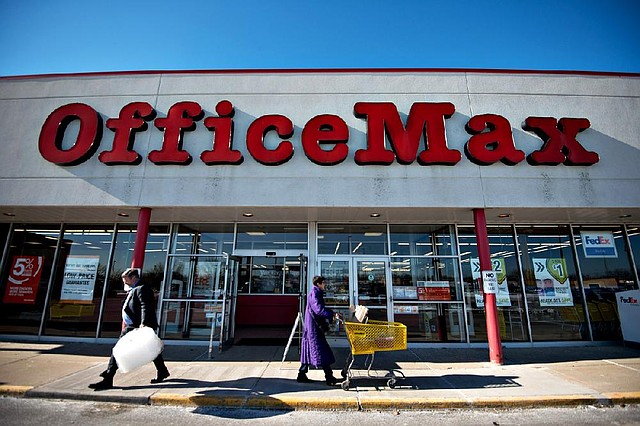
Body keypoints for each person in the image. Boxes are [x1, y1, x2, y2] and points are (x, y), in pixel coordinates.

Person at [88, 268, 170, 391]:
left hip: (137, 326)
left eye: (126, 281)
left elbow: (145, 306)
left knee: (118, 349)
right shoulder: (134, 289)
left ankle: (108, 377)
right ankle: (162, 371)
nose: (125, 284)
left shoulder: (142, 289)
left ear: (133, 278)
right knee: (151, 348)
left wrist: (143, 323)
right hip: (132, 325)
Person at [297, 275, 341, 386]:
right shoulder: (315, 294)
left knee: (309, 350)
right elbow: (319, 310)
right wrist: (331, 314)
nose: (325, 285)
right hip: (314, 328)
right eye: (324, 283)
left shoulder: (315, 293)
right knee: (321, 350)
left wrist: (330, 313)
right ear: (318, 284)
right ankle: (329, 377)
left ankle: (302, 374)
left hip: (312, 326)